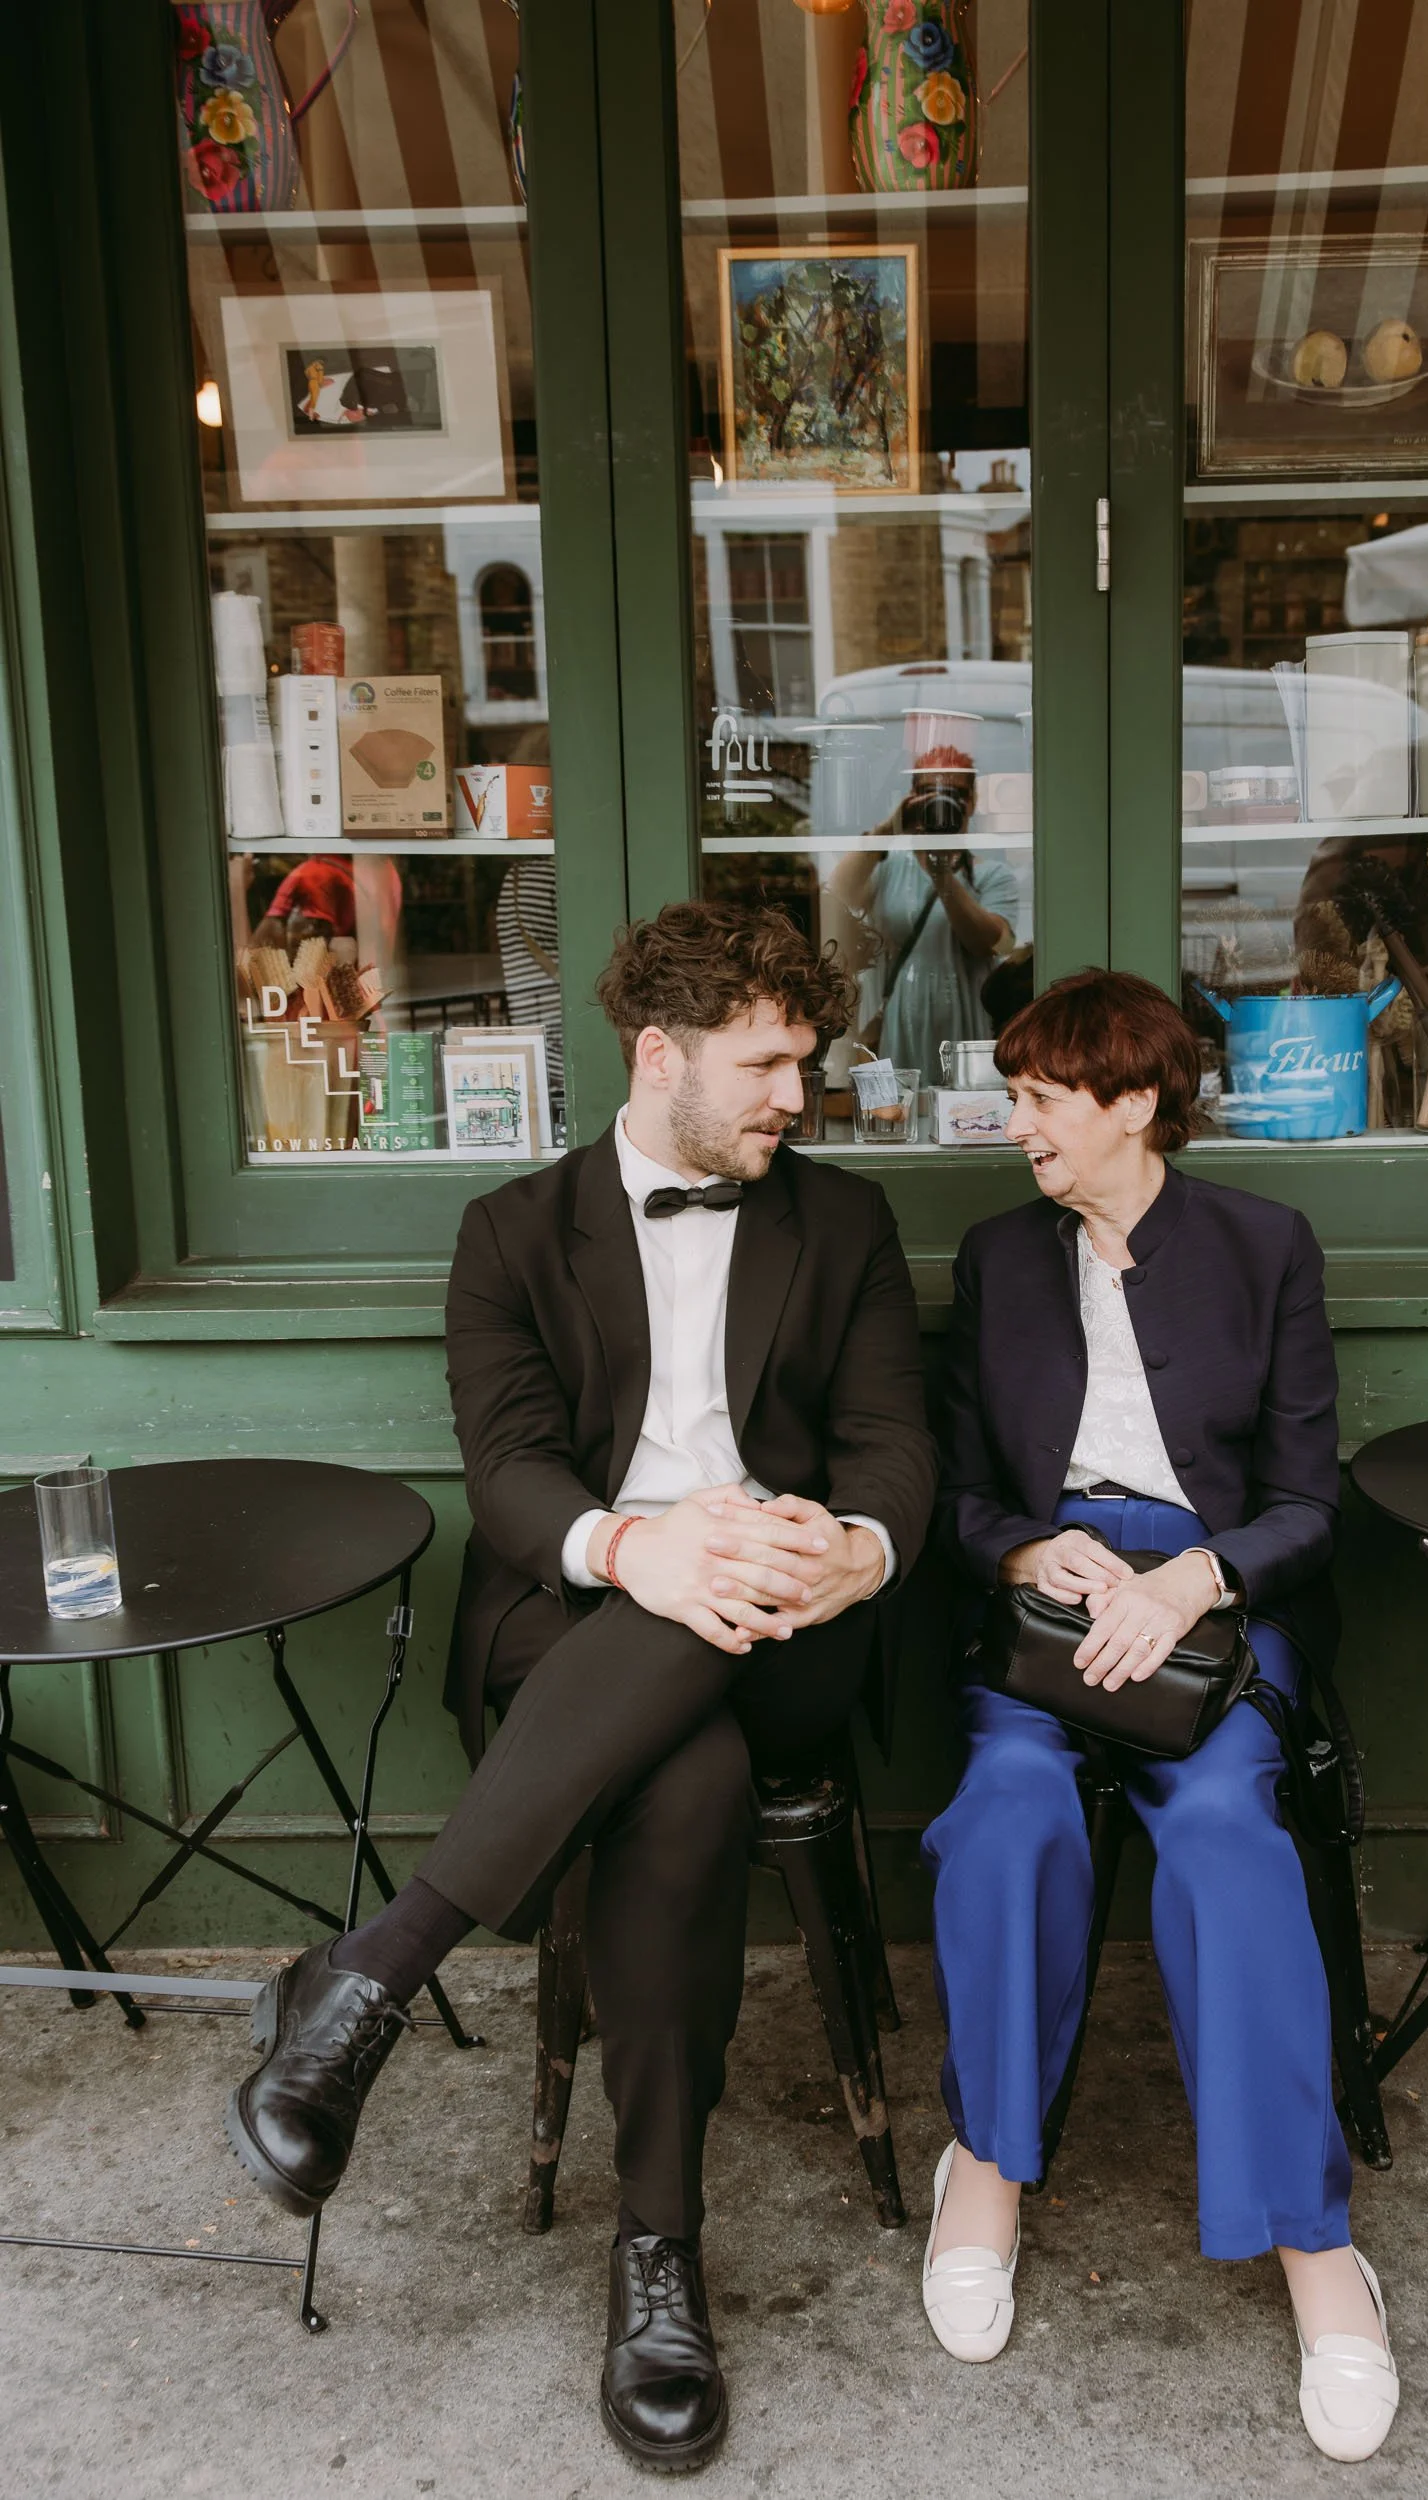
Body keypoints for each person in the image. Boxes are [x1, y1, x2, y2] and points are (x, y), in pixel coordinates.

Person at [226, 902, 937, 2473]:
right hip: (578, 1618)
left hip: (792, 1636)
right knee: (677, 1778)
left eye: (803, 1065)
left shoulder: (846, 1226)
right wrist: (639, 1550)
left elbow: (896, 1446)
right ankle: (658, 2256)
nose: (791, 1097)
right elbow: (509, 1477)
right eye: (762, 1063)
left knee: (732, 1573)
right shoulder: (509, 1233)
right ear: (658, 1052)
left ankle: (370, 1982)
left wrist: (860, 1552)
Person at [920, 967, 1399, 2465]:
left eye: (1041, 1100)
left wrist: (1197, 1575)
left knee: (1219, 1843)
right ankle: (986, 2167)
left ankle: (1314, 2248)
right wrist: (1017, 1544)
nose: (1016, 1129)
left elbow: (1309, 1504)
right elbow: (948, 1484)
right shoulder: (999, 1260)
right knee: (1004, 1815)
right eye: (1015, 1100)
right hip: (1047, 1619)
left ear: (1132, 1102)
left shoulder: (1264, 1247)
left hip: (1212, 1621)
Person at [830, 745, 1017, 1070]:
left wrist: (942, 873)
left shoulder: (992, 875)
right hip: (900, 1019)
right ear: (913, 799)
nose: (942, 804)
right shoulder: (889, 867)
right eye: (929, 793)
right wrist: (889, 828)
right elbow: (841, 890)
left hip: (966, 1020)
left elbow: (987, 943)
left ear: (972, 802)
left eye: (956, 794)